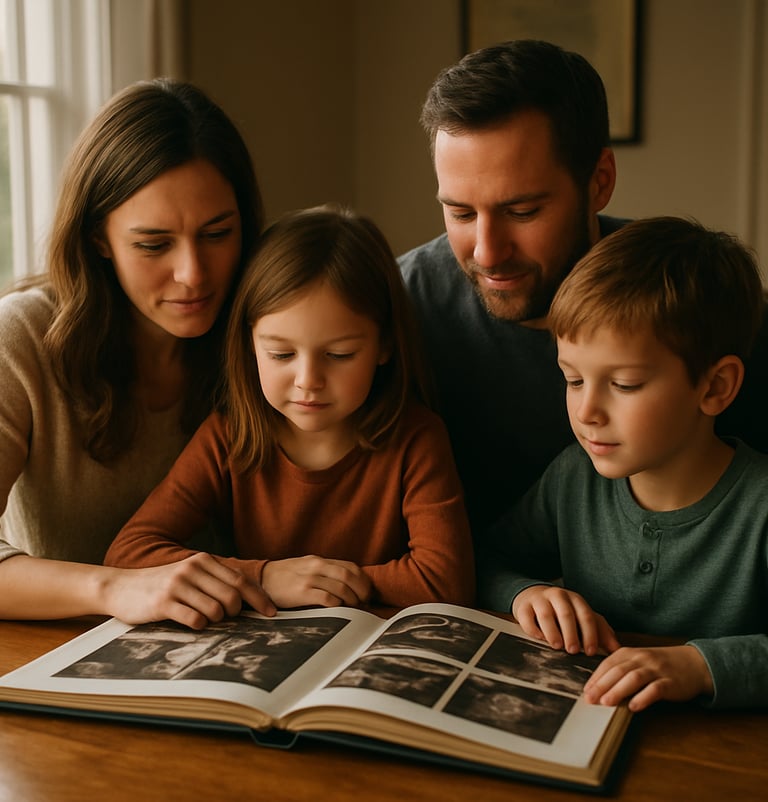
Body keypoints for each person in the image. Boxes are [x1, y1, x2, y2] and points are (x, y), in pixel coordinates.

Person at [399, 39, 768, 538]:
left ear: (599, 181)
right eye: (460, 213)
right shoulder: (398, 307)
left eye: (522, 212)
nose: (487, 252)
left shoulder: (691, 298)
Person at [0, 78, 276, 627]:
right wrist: (114, 588)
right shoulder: (22, 338)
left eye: (218, 234)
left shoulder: (267, 336)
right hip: (57, 663)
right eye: (154, 245)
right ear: (98, 238)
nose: (194, 274)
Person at [105, 206, 476, 610]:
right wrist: (264, 577)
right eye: (281, 354)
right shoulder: (228, 436)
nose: (308, 380)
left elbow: (446, 582)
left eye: (339, 354)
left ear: (384, 345)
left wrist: (320, 584)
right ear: (250, 342)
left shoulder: (416, 438)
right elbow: (129, 554)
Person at [478, 217, 768, 711]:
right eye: (572, 380)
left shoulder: (758, 505)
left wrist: (698, 666)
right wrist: (525, 593)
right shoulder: (573, 478)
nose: (587, 412)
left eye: (624, 385)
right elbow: (486, 559)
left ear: (715, 387)